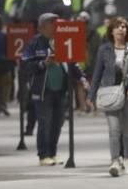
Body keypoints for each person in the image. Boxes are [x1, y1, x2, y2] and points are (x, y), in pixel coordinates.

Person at [22, 13, 85, 166]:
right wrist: (44, 63)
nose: (56, 26)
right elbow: (25, 66)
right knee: (45, 123)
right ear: (42, 26)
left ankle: (53, 153)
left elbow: (72, 61)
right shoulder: (34, 43)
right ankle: (43, 155)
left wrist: (81, 77)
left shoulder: (62, 40)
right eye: (52, 23)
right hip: (43, 91)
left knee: (58, 123)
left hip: (61, 90)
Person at [89, 17, 128, 177]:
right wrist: (91, 95)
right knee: (114, 130)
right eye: (117, 27)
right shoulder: (104, 50)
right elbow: (97, 73)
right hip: (110, 94)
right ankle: (114, 160)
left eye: (123, 27)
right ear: (111, 31)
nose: (121, 29)